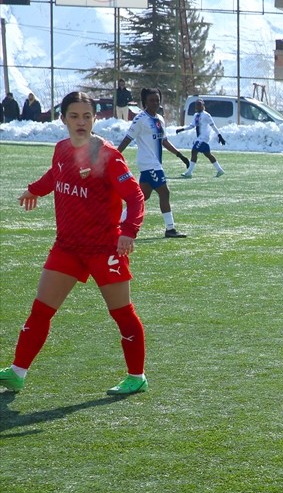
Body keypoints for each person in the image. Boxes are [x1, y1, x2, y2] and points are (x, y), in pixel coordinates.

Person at [0, 90, 148, 396]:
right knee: (40, 310)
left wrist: (128, 231)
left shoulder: (107, 156)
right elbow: (56, 175)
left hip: (104, 250)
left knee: (122, 314)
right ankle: (17, 372)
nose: (81, 122)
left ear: (95, 118)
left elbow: (134, 197)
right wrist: (35, 191)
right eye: (74, 116)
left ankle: (137, 376)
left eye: (87, 116)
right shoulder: (61, 149)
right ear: (63, 118)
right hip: (67, 247)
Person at [117, 87, 191, 238]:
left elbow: (164, 140)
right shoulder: (140, 119)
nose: (155, 103)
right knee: (164, 192)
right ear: (145, 101)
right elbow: (127, 138)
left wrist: (179, 155)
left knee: (142, 196)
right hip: (148, 163)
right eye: (152, 100)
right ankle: (170, 229)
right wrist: (115, 155)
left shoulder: (159, 119)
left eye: (157, 100)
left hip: (154, 163)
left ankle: (117, 222)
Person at [175, 98, 226, 178]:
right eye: (197, 105)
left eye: (200, 105)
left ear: (203, 106)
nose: (198, 107)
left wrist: (219, 135)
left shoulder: (206, 115)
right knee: (208, 154)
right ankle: (220, 170)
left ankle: (189, 172)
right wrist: (182, 129)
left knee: (194, 151)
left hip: (204, 138)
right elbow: (192, 126)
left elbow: (213, 126)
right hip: (200, 138)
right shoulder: (196, 115)